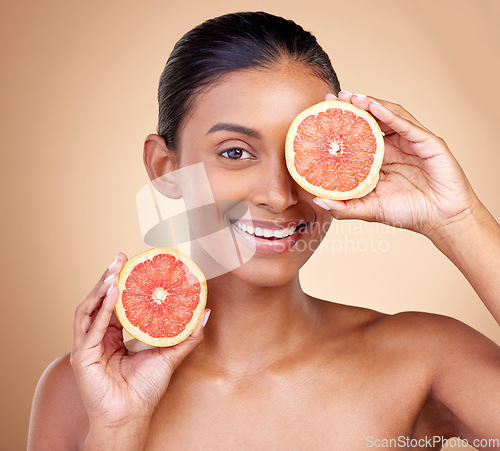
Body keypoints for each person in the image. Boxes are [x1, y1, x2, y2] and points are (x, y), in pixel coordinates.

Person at [28, 11, 500, 450]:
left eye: (302, 153)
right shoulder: (81, 395)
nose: (278, 195)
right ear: (165, 168)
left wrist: (456, 219)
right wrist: (117, 430)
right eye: (235, 152)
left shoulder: (424, 361)